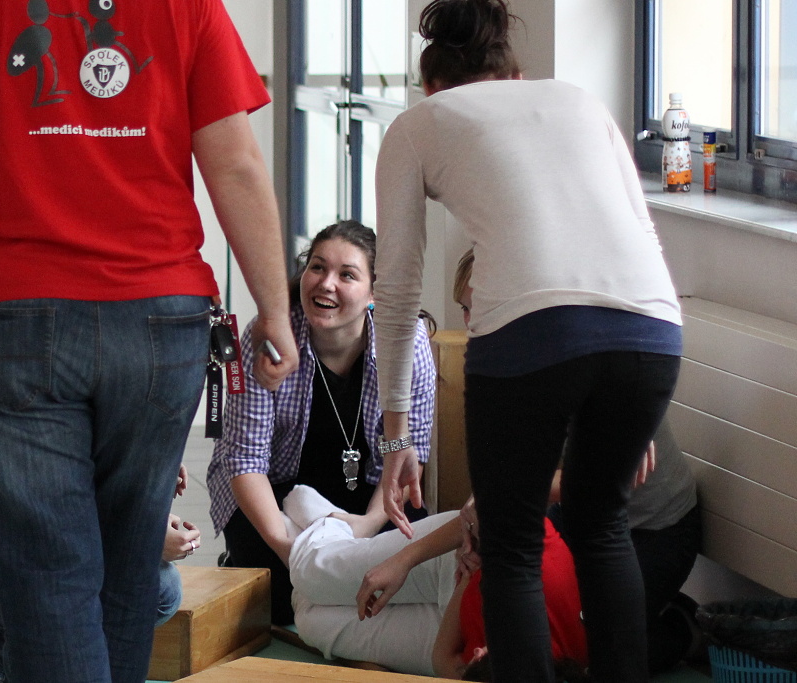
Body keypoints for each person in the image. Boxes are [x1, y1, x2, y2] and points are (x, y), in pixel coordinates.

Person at [0, 1, 299, 680]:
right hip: (159, 319)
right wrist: (274, 308)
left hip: (11, 315)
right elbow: (237, 163)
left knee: (48, 577)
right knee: (130, 570)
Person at [372, 1, 683, 680]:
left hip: (531, 333)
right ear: (514, 76)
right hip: (652, 329)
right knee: (603, 524)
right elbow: (644, 237)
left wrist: (398, 438)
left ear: (430, 86)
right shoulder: (580, 101)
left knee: (510, 545)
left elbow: (395, 290)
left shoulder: (418, 123)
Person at [455, 249, 702, 675]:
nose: (470, 320)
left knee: (587, 649)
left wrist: (489, 501)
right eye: (464, 308)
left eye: (481, 306)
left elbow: (601, 478)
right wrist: (474, 518)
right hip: (577, 513)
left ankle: (683, 627)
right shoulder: (503, 362)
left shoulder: (574, 350)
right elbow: (510, 472)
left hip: (656, 531)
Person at [0, 384, 202, 682]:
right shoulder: (41, 396)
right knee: (157, 589)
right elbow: (60, 529)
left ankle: (4, 650)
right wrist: (144, 537)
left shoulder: (23, 363)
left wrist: (146, 472)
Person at [207, 221, 436, 625]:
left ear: (374, 293)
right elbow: (245, 461)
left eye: (347, 275)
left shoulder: (406, 341)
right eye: (317, 267)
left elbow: (402, 453)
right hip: (276, 494)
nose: (326, 284)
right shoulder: (267, 336)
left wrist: (365, 528)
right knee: (277, 601)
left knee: (405, 570)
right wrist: (290, 550)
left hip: (369, 496)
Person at [283, 486, 587, 680]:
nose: (475, 654)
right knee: (308, 575)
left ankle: (321, 534)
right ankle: (324, 517)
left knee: (310, 622)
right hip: (455, 553)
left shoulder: (478, 665)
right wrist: (403, 561)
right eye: (482, 656)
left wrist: (464, 585)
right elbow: (497, 510)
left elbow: (444, 661)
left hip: (457, 608)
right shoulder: (544, 580)